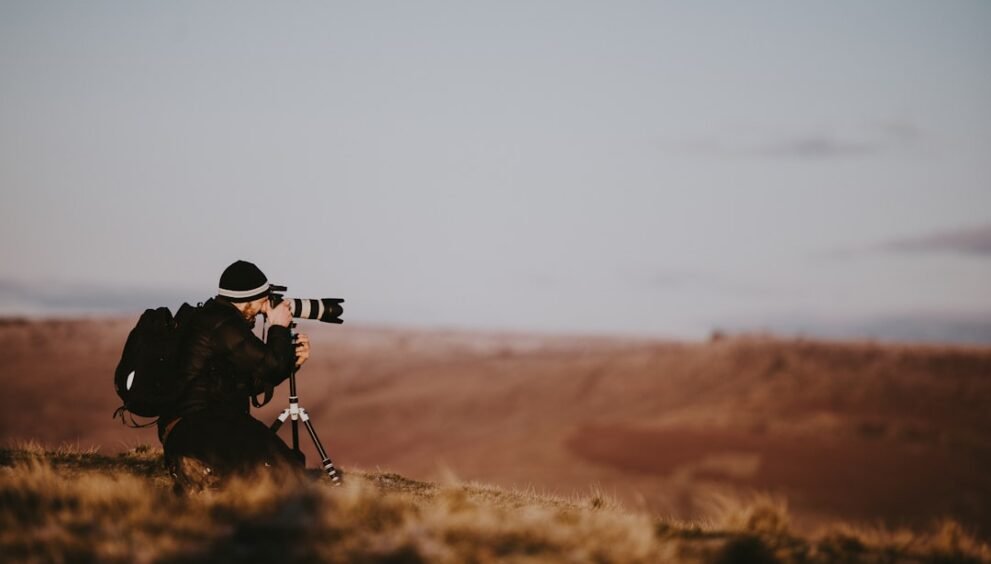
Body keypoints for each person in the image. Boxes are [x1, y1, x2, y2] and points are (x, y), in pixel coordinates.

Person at [158, 260, 312, 491]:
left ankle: (200, 468)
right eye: (263, 300)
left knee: (285, 465)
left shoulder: (221, 321)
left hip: (205, 424)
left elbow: (252, 382)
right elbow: (270, 365)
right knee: (282, 470)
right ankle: (194, 466)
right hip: (199, 425)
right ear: (247, 300)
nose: (265, 308)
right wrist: (278, 326)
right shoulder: (222, 324)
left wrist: (293, 364)